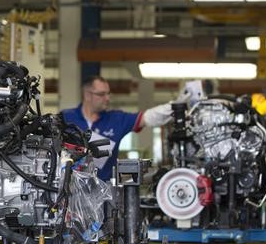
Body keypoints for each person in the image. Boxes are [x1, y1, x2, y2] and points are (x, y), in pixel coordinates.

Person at [60, 76, 190, 181]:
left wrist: (173, 107)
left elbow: (147, 117)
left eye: (108, 94)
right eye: (102, 94)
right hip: (69, 191)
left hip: (105, 194)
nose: (107, 98)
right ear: (87, 95)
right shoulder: (65, 118)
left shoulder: (116, 119)